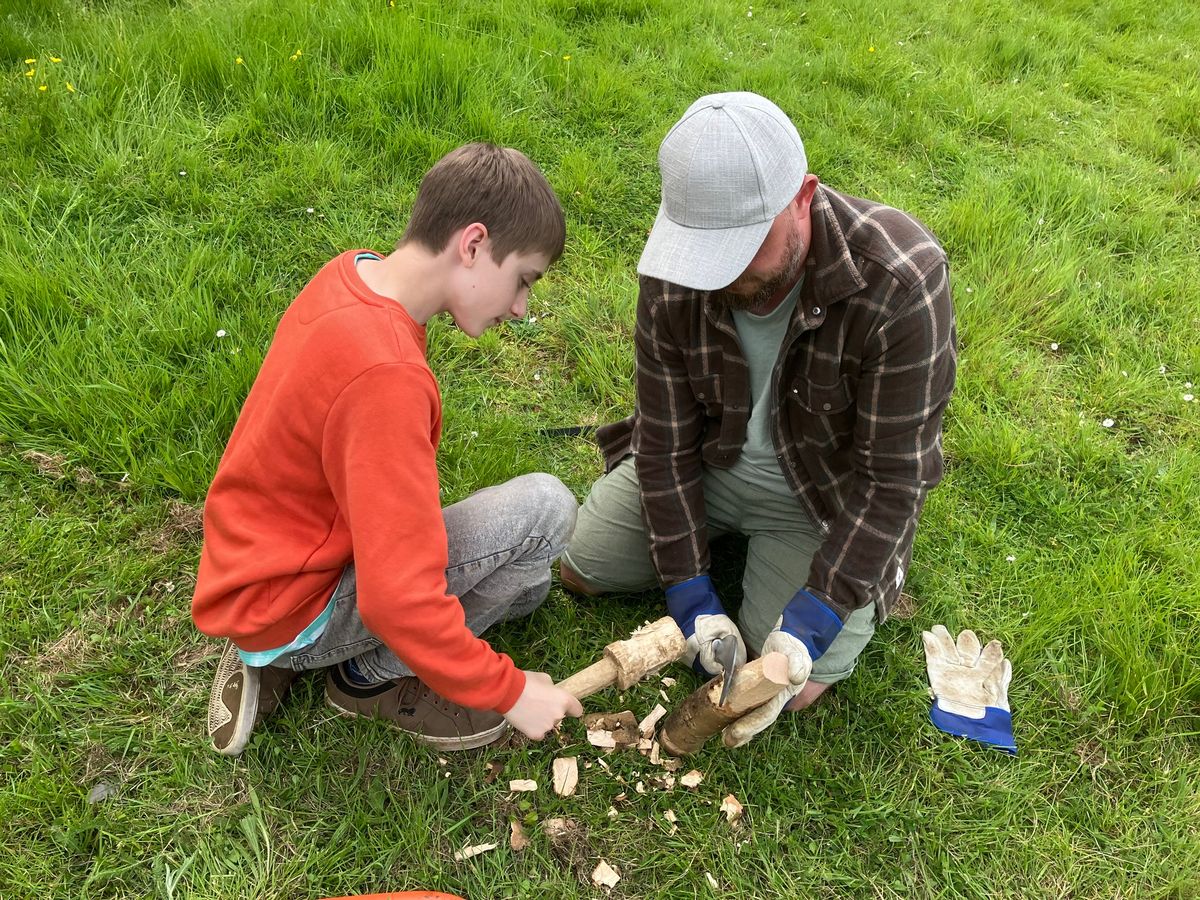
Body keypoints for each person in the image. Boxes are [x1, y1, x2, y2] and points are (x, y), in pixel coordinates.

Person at [560, 92, 956, 746]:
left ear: (803, 195)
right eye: (705, 250)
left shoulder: (902, 282)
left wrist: (813, 620)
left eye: (744, 244)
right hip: (708, 464)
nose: (721, 272)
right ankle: (716, 557)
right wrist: (688, 590)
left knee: (797, 685)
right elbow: (661, 439)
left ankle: (834, 577)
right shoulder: (677, 270)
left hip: (819, 498)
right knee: (582, 565)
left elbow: (892, 482)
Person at [193, 143, 584, 757]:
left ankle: (268, 655)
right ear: (473, 244)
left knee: (529, 587)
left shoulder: (351, 274)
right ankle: (361, 679)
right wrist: (509, 692)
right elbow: (396, 598)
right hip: (290, 602)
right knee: (548, 510)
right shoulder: (387, 376)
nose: (519, 307)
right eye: (523, 280)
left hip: (250, 567)